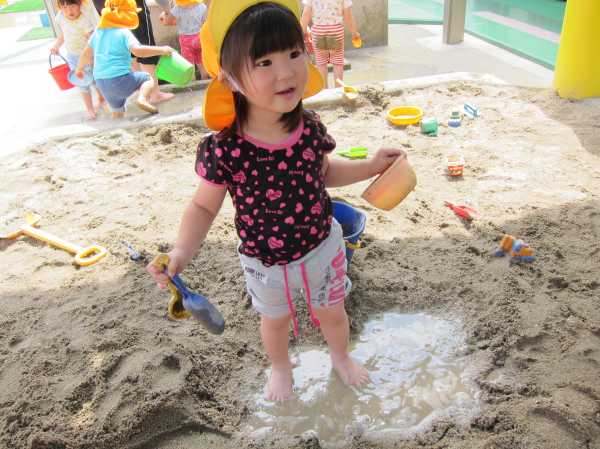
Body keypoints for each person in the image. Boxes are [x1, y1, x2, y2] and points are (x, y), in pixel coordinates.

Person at [147, 0, 406, 402]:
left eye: (293, 53)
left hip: (322, 246)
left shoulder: (309, 129)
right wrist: (181, 251)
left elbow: (325, 173)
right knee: (275, 322)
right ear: (231, 78)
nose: (285, 72)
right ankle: (282, 367)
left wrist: (371, 166)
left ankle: (340, 357)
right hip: (264, 263)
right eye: (264, 62)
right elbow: (203, 207)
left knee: (333, 313)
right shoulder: (227, 148)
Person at [76, 0, 174, 118]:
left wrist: (79, 69)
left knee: (117, 111)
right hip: (119, 79)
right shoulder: (123, 32)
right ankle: (142, 98)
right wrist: (162, 50)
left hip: (101, 83)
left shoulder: (97, 33)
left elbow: (86, 54)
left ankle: (116, 124)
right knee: (147, 78)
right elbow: (138, 51)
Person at [50, 0, 106, 119]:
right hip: (73, 56)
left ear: (79, 5)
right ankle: (90, 109)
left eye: (72, 6)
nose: (69, 11)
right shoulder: (61, 17)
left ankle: (102, 99)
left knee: (95, 80)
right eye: (64, 7)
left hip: (88, 56)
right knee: (82, 84)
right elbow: (64, 34)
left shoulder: (84, 20)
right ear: (59, 8)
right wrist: (56, 46)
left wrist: (92, 55)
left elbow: (91, 40)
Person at [300, 0, 360, 87]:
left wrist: (303, 32)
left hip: (318, 31)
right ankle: (338, 88)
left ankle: (324, 89)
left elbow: (306, 13)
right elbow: (348, 16)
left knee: (321, 62)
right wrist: (354, 32)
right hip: (335, 31)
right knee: (337, 62)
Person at [159, 0, 208, 79]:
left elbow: (168, 21)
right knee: (202, 64)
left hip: (186, 41)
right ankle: (205, 81)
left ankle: (192, 83)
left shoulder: (177, 8)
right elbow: (204, 22)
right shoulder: (202, 7)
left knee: (189, 66)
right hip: (199, 38)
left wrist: (165, 14)